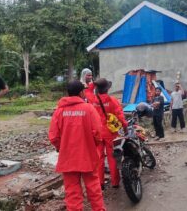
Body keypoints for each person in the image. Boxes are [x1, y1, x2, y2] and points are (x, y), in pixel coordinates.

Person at [49, 80, 105, 211]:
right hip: (88, 156)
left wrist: (60, 147)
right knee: (94, 189)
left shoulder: (59, 111)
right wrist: (93, 145)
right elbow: (98, 132)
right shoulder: (89, 109)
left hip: (68, 158)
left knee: (72, 192)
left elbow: (53, 136)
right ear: (81, 92)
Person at [87, 78, 128, 189]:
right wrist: (125, 128)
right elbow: (120, 116)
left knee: (99, 158)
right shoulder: (112, 100)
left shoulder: (93, 100)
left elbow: (87, 92)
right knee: (112, 157)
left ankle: (100, 183)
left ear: (97, 88)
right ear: (107, 89)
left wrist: (93, 84)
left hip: (97, 133)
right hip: (110, 133)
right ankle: (115, 182)